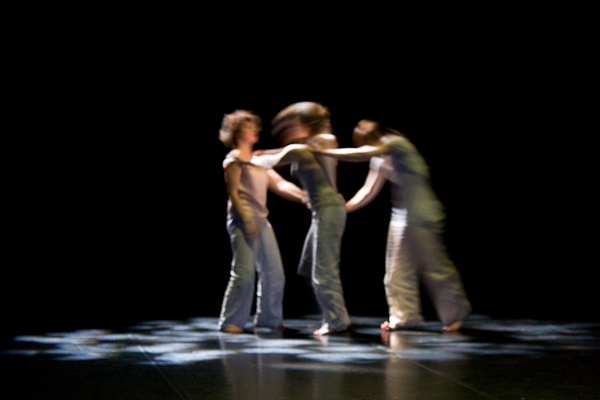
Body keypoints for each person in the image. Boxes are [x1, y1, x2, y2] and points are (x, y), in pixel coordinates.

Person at [316, 119, 471, 332]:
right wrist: (344, 209)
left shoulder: (396, 143)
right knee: (396, 272)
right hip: (401, 218)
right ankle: (404, 317)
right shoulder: (378, 158)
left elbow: (362, 154)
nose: (366, 146)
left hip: (423, 215)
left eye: (366, 142)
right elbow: (368, 190)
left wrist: (325, 152)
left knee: (435, 268)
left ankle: (455, 315)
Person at [250, 102, 351, 336]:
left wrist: (242, 158)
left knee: (323, 269)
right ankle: (331, 312)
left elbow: (268, 161)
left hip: (329, 209)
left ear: (304, 125)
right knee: (307, 266)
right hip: (321, 211)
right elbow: (281, 153)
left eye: (291, 127)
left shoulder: (319, 144)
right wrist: (265, 152)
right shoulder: (305, 149)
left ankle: (336, 320)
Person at [218, 110, 307, 333]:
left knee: (274, 272)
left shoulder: (258, 161)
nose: (254, 130)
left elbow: (281, 185)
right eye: (249, 126)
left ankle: (269, 319)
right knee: (244, 272)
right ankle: (231, 321)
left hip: (262, 220)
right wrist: (245, 220)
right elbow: (233, 193)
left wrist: (307, 198)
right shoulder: (234, 159)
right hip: (242, 219)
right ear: (238, 131)